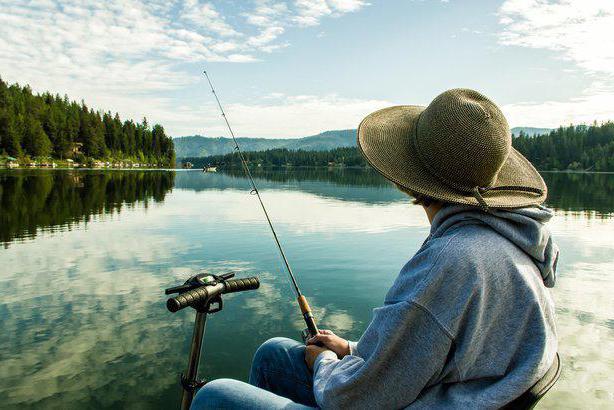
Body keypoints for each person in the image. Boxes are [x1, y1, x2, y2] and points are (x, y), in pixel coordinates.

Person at [190, 89, 559, 409]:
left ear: (411, 177)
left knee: (214, 396)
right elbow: (433, 353)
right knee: (274, 354)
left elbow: (353, 400)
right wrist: (350, 349)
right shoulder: (513, 244)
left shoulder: (450, 263)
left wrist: (325, 363)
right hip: (455, 397)